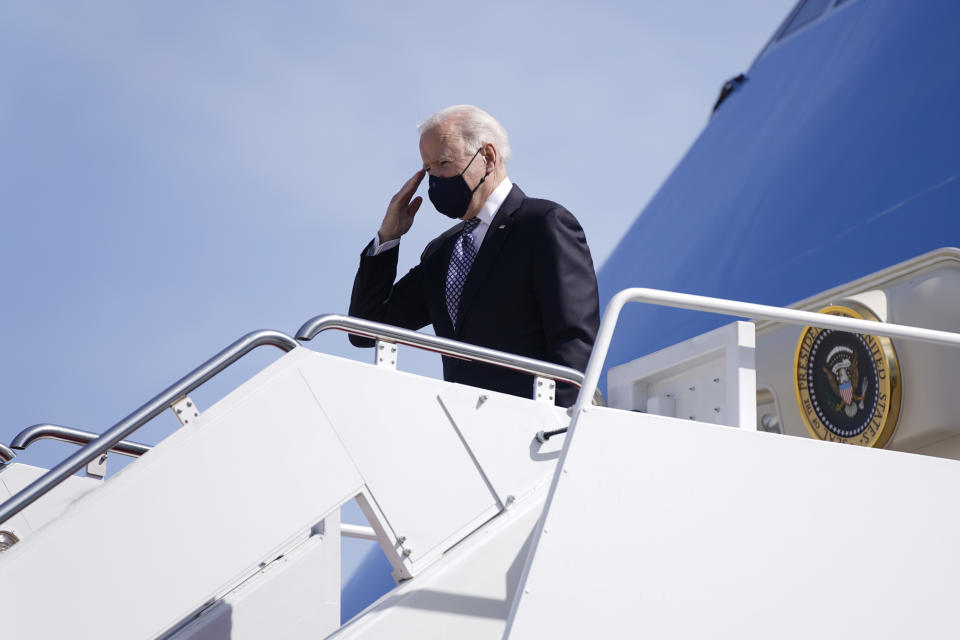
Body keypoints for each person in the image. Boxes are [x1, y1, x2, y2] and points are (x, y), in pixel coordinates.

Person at [349, 105, 599, 407]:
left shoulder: (543, 223)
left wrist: (553, 425)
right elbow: (365, 331)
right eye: (428, 169)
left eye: (443, 162)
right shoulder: (441, 252)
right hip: (465, 431)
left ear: (488, 157)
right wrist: (388, 237)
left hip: (533, 432)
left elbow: (573, 340)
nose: (435, 179)